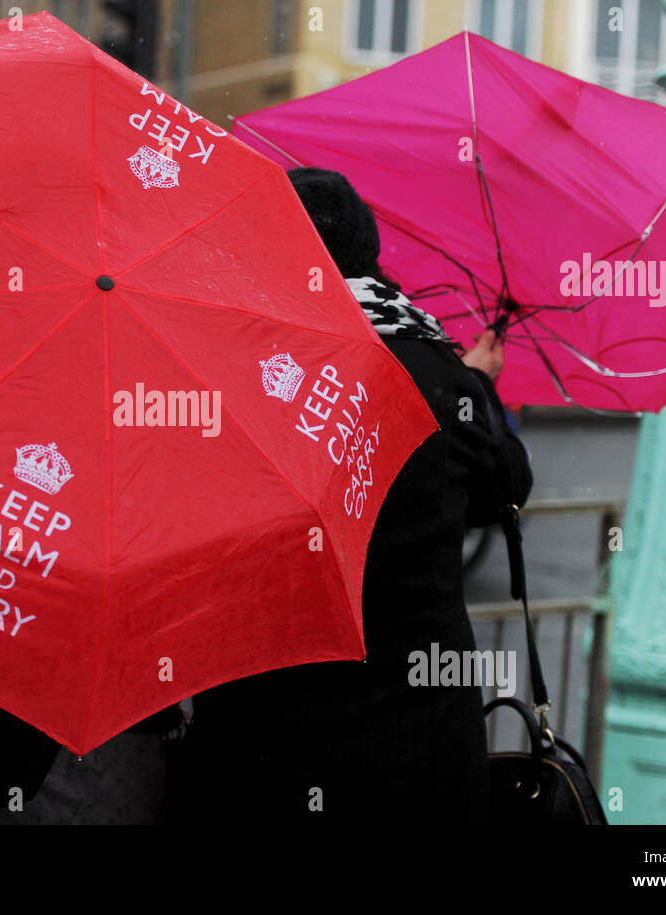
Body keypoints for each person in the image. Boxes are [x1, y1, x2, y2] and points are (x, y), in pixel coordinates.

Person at [173, 167, 532, 823]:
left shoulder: (226, 366)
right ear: (367, 252)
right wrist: (477, 388)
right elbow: (503, 489)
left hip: (264, 733)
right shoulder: (434, 366)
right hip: (413, 740)